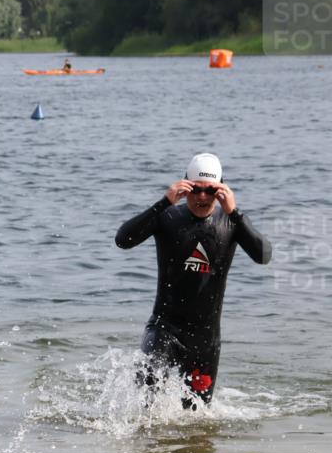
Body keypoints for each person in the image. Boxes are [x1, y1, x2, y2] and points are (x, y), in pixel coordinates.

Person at [115, 154, 271, 409]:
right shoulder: (167, 217)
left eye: (211, 190)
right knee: (145, 397)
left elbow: (263, 255)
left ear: (221, 190)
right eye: (196, 189)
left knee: (196, 416)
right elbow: (123, 240)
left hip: (205, 340)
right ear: (184, 185)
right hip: (164, 328)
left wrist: (235, 213)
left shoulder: (231, 223)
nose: (202, 197)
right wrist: (164, 202)